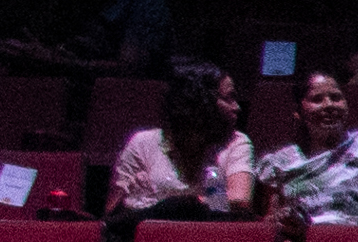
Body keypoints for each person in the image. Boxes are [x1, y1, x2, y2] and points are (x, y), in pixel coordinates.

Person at [256, 67, 358, 230]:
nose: (329, 105)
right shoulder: (279, 163)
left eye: (336, 98)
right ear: (298, 112)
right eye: (317, 99)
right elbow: (272, 220)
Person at [109, 60, 256, 221]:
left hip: (205, 239)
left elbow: (239, 201)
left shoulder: (236, 142)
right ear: (199, 101)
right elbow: (113, 212)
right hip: (148, 237)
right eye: (229, 98)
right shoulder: (143, 143)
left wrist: (178, 205)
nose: (237, 107)